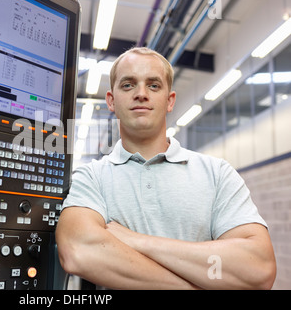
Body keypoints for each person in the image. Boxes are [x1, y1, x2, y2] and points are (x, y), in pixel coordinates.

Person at [55, 47, 276, 290]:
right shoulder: (91, 177)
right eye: (128, 85)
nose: (141, 94)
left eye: (153, 85)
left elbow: (258, 268)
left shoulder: (217, 174)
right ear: (111, 100)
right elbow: (78, 250)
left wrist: (139, 242)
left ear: (169, 101)